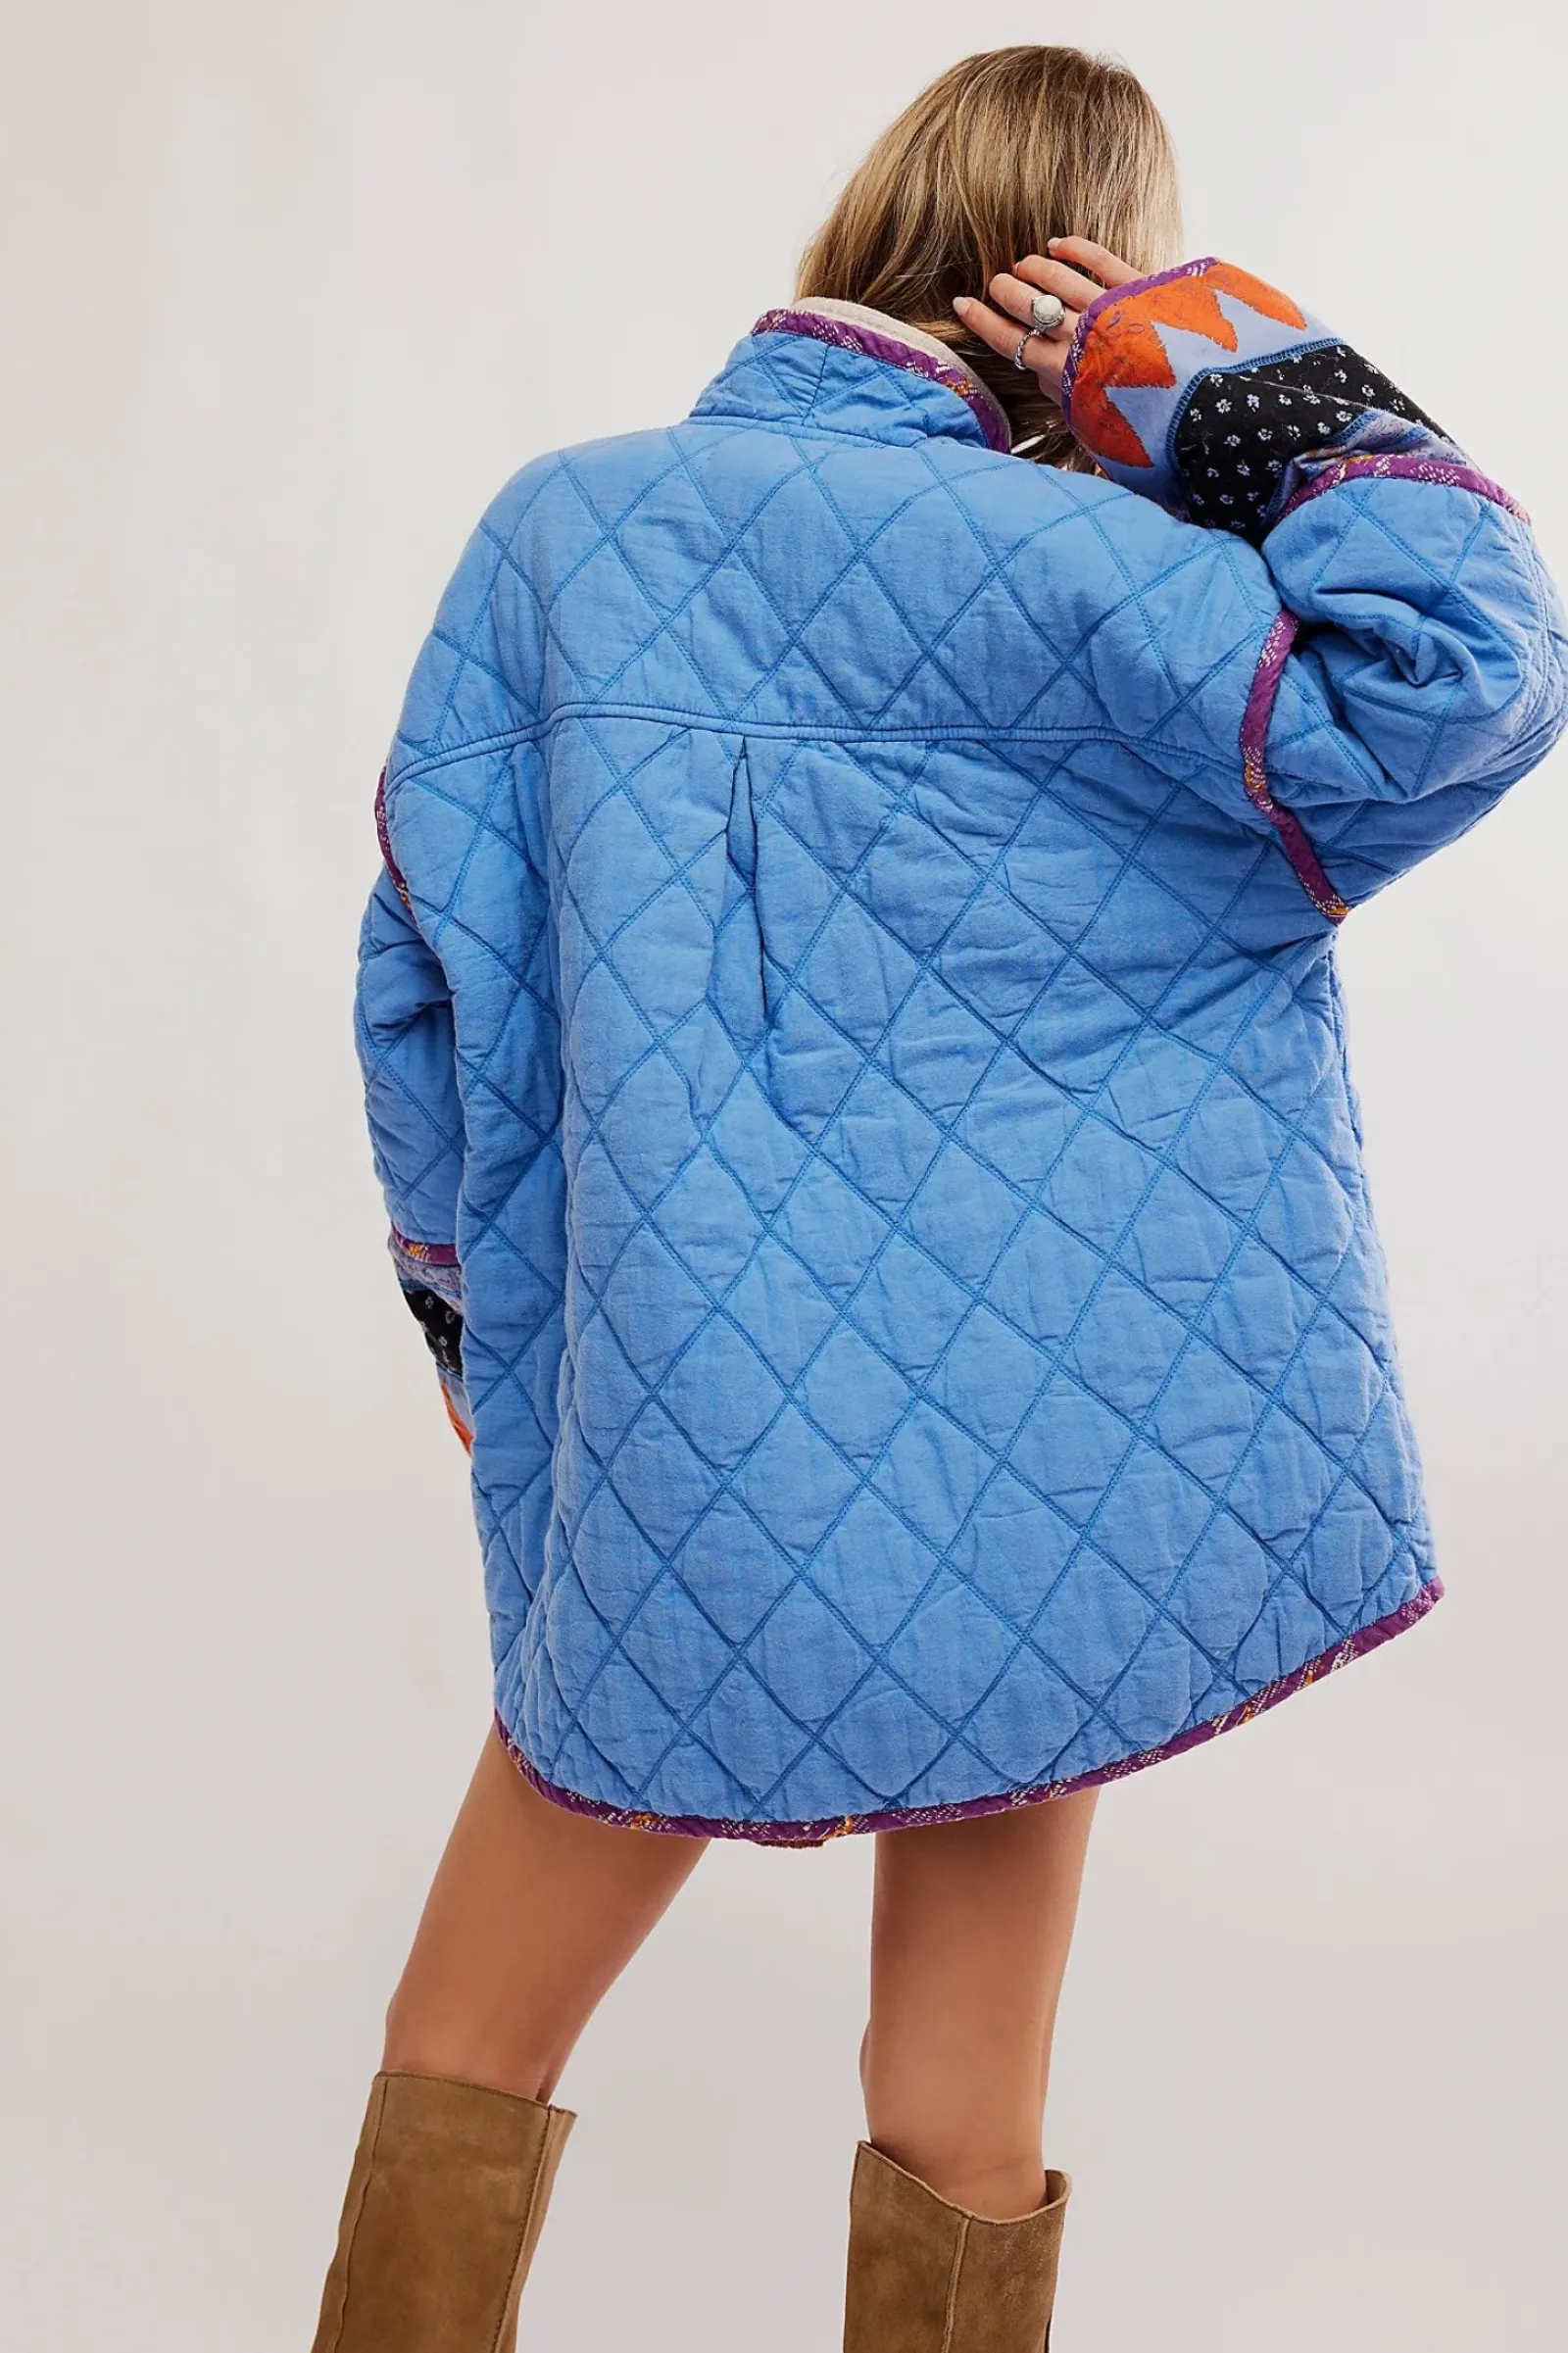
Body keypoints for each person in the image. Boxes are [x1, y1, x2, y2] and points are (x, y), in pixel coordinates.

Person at [317, 42, 1567, 2353]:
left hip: (674, 1446)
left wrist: (480, 1339)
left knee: (462, 2044)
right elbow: (1466, 665)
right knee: (959, 2113)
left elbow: (422, 980)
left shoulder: (561, 537)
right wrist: (1210, 379)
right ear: (1101, 278)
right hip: (1041, 1477)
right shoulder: (1141, 591)